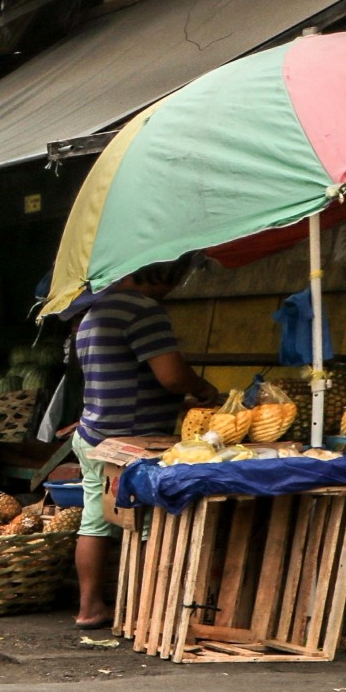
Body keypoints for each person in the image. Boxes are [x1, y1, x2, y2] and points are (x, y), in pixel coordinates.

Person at [71, 257, 219, 630]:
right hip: (132, 443)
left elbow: (127, 376)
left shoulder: (94, 311)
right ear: (163, 272)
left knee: (95, 521)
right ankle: (148, 610)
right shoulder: (142, 310)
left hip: (93, 436)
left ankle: (90, 607)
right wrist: (202, 388)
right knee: (150, 524)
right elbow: (170, 376)